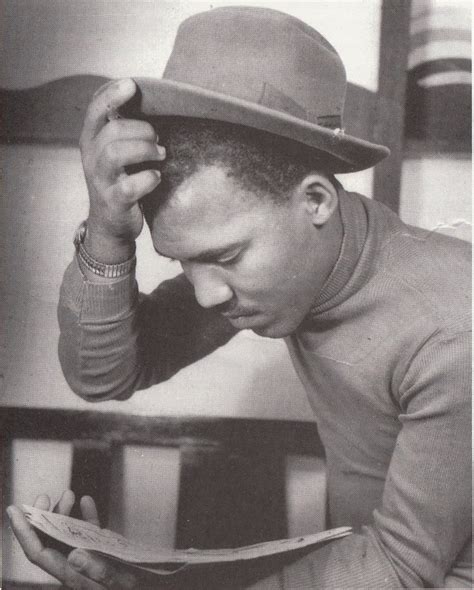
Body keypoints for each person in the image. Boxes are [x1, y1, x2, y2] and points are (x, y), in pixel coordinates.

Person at [8, 6, 471, 589]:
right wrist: (107, 232)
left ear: (316, 202)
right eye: (184, 261)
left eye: (225, 257)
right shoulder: (292, 265)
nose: (206, 295)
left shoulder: (455, 327)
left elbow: (404, 570)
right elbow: (104, 375)